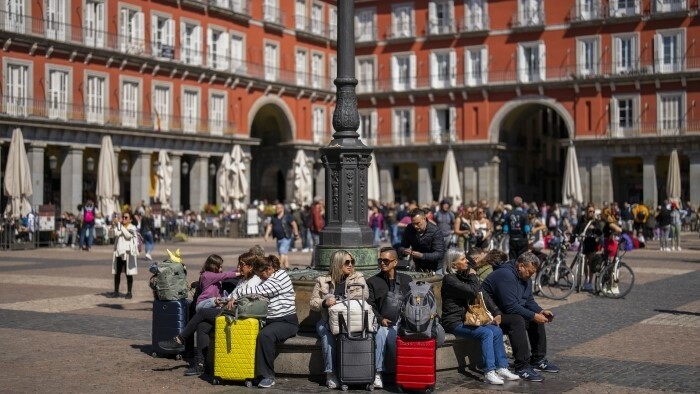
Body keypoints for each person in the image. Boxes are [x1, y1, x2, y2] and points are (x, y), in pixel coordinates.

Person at [159, 252, 261, 376]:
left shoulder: (254, 281)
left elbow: (242, 298)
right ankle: (201, 365)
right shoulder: (243, 279)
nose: (238, 267)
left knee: (202, 313)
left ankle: (180, 339)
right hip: (229, 310)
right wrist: (226, 299)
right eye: (238, 264)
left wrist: (227, 300)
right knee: (202, 326)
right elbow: (232, 295)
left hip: (238, 314)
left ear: (250, 267)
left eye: (241, 264)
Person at [441, 248, 520, 385]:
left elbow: (482, 293)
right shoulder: (449, 280)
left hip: (467, 320)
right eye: (463, 259)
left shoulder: (462, 276)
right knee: (486, 333)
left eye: (466, 258)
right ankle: (489, 372)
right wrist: (473, 276)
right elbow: (473, 292)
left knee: (496, 330)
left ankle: (502, 367)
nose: (467, 261)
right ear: (453, 264)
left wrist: (496, 312)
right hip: (454, 322)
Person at [482, 252, 559, 382]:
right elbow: (510, 307)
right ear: (521, 266)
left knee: (535, 317)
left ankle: (538, 360)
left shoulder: (525, 277)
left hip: (503, 313)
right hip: (490, 315)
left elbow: (528, 301)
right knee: (517, 321)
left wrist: (540, 311)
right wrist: (533, 315)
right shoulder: (505, 275)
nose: (531, 276)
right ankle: (522, 367)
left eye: (533, 273)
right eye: (529, 272)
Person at [229, 255, 298, 388]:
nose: (260, 278)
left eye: (261, 275)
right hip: (269, 320)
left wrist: (235, 295)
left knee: (265, 336)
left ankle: (268, 376)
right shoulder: (269, 278)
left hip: (286, 322)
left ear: (269, 269)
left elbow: (257, 290)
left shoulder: (280, 277)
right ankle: (247, 371)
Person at [310, 250, 368, 389]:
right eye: (346, 262)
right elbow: (313, 303)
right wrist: (324, 303)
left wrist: (337, 300)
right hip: (327, 320)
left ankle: (355, 372)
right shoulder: (322, 280)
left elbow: (363, 294)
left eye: (352, 262)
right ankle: (331, 374)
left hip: (350, 320)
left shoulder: (358, 277)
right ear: (337, 263)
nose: (350, 265)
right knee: (326, 333)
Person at [367, 247, 413, 389]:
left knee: (395, 336)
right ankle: (378, 373)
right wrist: (380, 319)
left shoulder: (407, 279)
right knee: (382, 333)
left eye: (386, 260)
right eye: (380, 260)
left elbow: (413, 302)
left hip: (403, 322)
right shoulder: (372, 281)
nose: (382, 263)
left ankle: (404, 372)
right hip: (383, 323)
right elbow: (370, 305)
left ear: (395, 262)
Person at [398, 208, 446, 274]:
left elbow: (439, 254)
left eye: (418, 223)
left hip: (436, 268)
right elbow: (401, 247)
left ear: (424, 219)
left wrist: (422, 255)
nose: (415, 226)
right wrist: (404, 251)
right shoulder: (409, 228)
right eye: (413, 223)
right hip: (418, 267)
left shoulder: (435, 231)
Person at [572, 205, 602, 291]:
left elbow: (599, 232)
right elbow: (576, 230)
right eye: (590, 211)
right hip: (583, 243)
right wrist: (571, 239)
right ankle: (586, 278)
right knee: (584, 262)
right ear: (586, 211)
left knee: (591, 262)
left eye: (593, 211)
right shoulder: (582, 219)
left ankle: (590, 282)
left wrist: (594, 229)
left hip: (592, 243)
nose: (592, 213)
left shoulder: (595, 221)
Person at [109, 211, 138, 299]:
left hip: (127, 253)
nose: (124, 219)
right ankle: (116, 291)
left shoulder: (132, 227)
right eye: (123, 217)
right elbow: (111, 235)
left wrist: (119, 225)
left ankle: (129, 292)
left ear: (130, 219)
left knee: (128, 273)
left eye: (126, 217)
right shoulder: (118, 226)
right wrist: (113, 226)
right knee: (117, 273)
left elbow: (128, 235)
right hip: (118, 252)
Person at [264, 203, 299, 270]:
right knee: (282, 253)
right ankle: (287, 267)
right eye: (276, 208)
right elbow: (270, 226)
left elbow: (294, 224)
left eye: (278, 208)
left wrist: (296, 233)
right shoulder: (274, 217)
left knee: (282, 251)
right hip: (278, 238)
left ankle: (277, 268)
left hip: (286, 237)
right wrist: (266, 235)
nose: (277, 209)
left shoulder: (288, 216)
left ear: (282, 208)